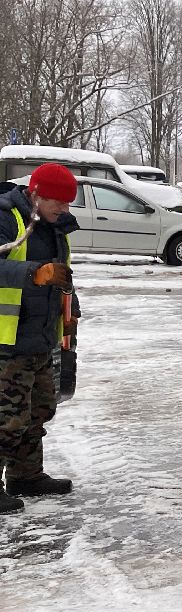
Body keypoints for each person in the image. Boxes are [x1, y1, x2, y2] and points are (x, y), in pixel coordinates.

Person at [0, 163, 80, 513]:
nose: (64, 209)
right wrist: (35, 272)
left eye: (67, 203)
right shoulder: (7, 218)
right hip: (7, 337)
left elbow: (62, 275)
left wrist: (71, 310)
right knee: (6, 416)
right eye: (57, 201)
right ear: (35, 193)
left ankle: (26, 475)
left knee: (38, 409)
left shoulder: (55, 227)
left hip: (41, 334)